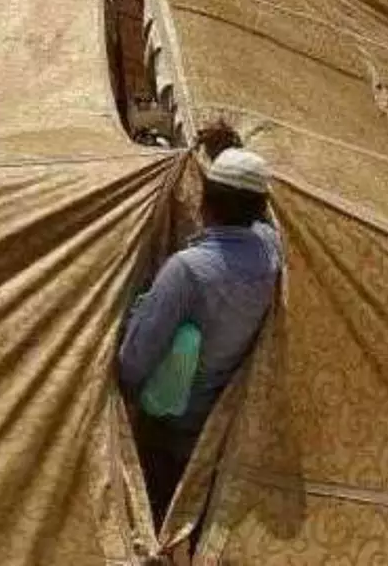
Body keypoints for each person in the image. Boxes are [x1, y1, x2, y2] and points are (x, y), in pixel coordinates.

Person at [116, 131, 282, 523]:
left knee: (154, 507)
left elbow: (134, 361)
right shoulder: (270, 251)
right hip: (219, 419)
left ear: (206, 200)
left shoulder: (187, 270)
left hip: (171, 421)